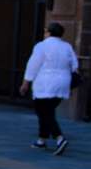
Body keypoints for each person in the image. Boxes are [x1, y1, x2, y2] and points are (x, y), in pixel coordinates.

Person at [20, 21, 79, 155]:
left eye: (46, 31)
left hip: (45, 84)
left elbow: (33, 65)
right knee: (47, 112)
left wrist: (25, 83)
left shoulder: (42, 46)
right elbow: (74, 65)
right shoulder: (67, 46)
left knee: (44, 112)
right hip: (62, 83)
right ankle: (41, 140)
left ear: (49, 32)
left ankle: (59, 138)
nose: (45, 33)